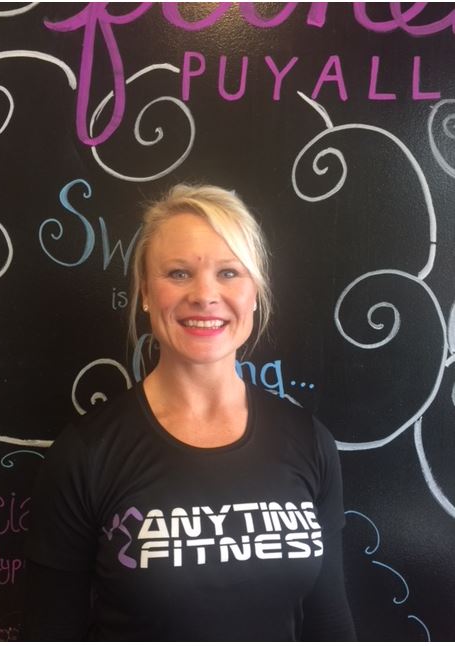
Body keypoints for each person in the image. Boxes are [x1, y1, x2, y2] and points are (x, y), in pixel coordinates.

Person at [23, 184, 356, 641]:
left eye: (229, 273)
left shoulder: (310, 441)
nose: (205, 295)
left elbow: (330, 624)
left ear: (254, 293)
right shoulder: (85, 453)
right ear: (145, 292)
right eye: (178, 273)